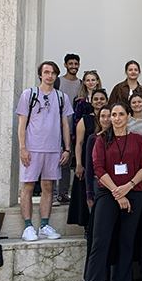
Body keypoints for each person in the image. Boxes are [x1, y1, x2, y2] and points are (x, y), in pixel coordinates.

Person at [68, 103, 142, 281]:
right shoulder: (100, 139)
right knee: (99, 244)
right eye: (114, 114)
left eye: (122, 114)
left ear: (129, 116)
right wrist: (117, 192)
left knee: (126, 243)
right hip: (108, 193)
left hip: (133, 192)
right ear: (109, 118)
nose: (117, 118)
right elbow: (98, 168)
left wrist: (127, 188)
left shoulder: (138, 140)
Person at [15, 61, 73, 242]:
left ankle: (44, 225)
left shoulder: (62, 97)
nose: (50, 76)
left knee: (49, 187)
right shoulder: (29, 95)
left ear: (56, 75)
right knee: (28, 185)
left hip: (54, 149)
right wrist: (22, 147)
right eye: (46, 72)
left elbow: (65, 125)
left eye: (53, 73)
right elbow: (22, 124)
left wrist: (67, 149)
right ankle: (28, 227)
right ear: (40, 75)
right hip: (32, 149)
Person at [55, 53, 81, 204]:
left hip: (73, 128)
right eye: (70, 64)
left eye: (76, 64)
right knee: (52, 160)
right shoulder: (58, 82)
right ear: (65, 65)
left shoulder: (81, 84)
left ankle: (63, 193)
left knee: (66, 160)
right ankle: (51, 193)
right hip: (56, 127)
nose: (73, 66)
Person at [74, 89, 109, 182]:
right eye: (96, 99)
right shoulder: (84, 120)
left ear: (107, 101)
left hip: (107, 160)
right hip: (88, 159)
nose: (99, 101)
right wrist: (78, 164)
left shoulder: (112, 120)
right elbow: (79, 143)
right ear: (91, 102)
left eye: (102, 99)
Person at [82, 105, 112, 210]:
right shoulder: (93, 138)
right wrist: (89, 192)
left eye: (109, 116)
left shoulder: (121, 138)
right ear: (98, 119)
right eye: (103, 116)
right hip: (97, 183)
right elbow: (89, 166)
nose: (106, 119)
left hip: (116, 182)